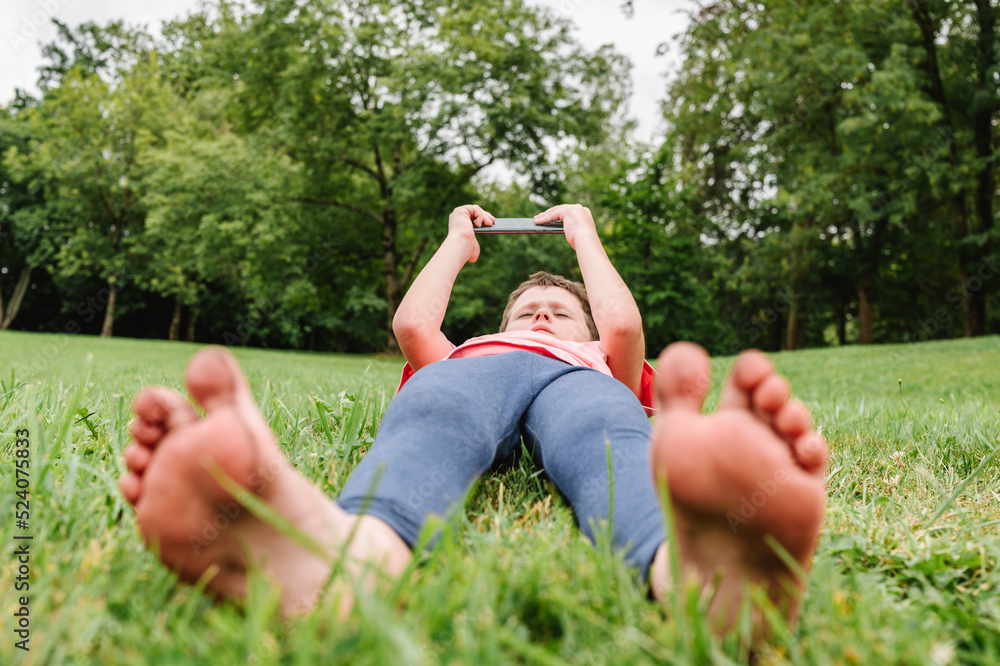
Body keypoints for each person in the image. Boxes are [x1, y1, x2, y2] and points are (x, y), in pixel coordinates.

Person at [119, 204, 828, 635]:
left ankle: (693, 570)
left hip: (583, 385)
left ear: (582, 323)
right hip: (471, 380)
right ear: (501, 321)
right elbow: (410, 323)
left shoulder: (600, 354)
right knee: (433, 408)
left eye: (560, 308)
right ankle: (343, 562)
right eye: (529, 309)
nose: (543, 312)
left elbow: (622, 323)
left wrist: (583, 236)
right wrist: (458, 240)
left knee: (606, 436)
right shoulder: (471, 349)